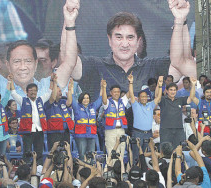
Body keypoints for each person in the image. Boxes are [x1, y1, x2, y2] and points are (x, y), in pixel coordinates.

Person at [59, 0, 196, 100]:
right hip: (104, 137)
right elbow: (68, 60)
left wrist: (180, 20)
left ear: (138, 41)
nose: (124, 44)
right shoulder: (94, 66)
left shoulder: (153, 67)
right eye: (119, 37)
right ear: (109, 39)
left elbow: (181, 61)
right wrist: (69, 21)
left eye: (130, 37)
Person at [0, 0, 72, 99]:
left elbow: (69, 63)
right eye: (17, 61)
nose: (23, 67)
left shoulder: (47, 86)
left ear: (36, 63)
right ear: (8, 64)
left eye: (28, 61)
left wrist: (70, 22)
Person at [10, 73, 57, 164]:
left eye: (35, 90)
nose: (33, 92)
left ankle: (38, 169)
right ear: (27, 92)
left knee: (39, 152)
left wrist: (52, 81)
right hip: (28, 131)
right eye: (31, 90)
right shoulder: (23, 100)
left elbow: (49, 92)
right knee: (27, 152)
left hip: (39, 130)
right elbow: (13, 93)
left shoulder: (40, 100)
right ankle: (26, 169)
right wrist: (11, 80)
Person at [129, 73, 163, 162]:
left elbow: (159, 97)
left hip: (148, 134)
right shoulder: (135, 105)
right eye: (142, 97)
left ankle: (144, 171)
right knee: (136, 155)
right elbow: (131, 94)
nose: (144, 98)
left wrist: (159, 86)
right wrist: (131, 82)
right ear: (139, 98)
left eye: (145, 96)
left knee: (145, 155)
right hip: (138, 134)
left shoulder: (150, 105)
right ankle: (135, 172)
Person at [69, 79, 104, 160]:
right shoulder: (77, 107)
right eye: (84, 98)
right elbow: (72, 97)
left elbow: (100, 98)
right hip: (80, 135)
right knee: (82, 155)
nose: (86, 100)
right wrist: (71, 88)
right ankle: (82, 171)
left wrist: (102, 88)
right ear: (81, 99)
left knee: (91, 155)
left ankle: (90, 171)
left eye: (87, 98)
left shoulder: (93, 106)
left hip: (91, 135)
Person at [159, 78, 195, 148]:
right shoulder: (163, 100)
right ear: (166, 91)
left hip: (179, 130)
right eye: (171, 90)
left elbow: (191, 98)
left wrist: (193, 85)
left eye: (174, 90)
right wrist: (159, 85)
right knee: (165, 150)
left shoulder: (180, 100)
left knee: (180, 149)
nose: (173, 92)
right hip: (166, 130)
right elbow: (157, 96)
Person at [102, 80, 130, 159]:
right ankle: (111, 170)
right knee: (111, 152)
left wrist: (131, 83)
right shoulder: (107, 102)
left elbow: (130, 93)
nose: (116, 93)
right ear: (111, 93)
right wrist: (104, 88)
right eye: (114, 92)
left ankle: (119, 169)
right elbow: (104, 100)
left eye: (118, 92)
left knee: (121, 152)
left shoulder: (122, 101)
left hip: (121, 130)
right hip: (111, 131)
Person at [44, 78, 74, 149]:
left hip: (65, 132)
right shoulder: (48, 103)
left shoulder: (63, 102)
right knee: (54, 153)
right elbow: (53, 97)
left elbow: (69, 102)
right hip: (54, 133)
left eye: (61, 91)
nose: (61, 93)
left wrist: (69, 89)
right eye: (58, 91)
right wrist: (55, 83)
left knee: (66, 152)